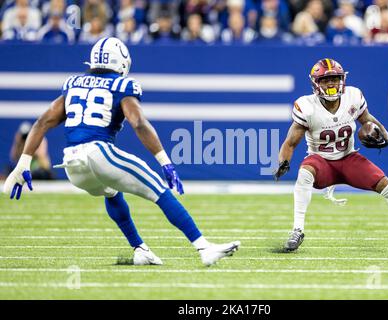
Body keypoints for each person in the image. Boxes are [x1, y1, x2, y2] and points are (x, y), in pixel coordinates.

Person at [3, 37, 240, 266]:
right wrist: (165, 161)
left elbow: (42, 122)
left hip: (72, 166)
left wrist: (22, 164)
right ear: (122, 63)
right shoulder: (122, 85)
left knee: (111, 192)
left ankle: (140, 249)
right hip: (98, 153)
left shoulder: (74, 84)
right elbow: (138, 123)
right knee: (158, 189)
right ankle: (203, 247)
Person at [273, 58, 388, 252]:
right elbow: (290, 142)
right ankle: (297, 230)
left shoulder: (353, 96)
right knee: (305, 171)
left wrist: (384, 133)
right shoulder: (307, 106)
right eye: (325, 80)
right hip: (321, 161)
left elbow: (367, 119)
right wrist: (284, 162)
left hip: (348, 158)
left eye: (334, 78)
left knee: (387, 186)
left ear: (342, 79)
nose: (331, 83)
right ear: (316, 83)